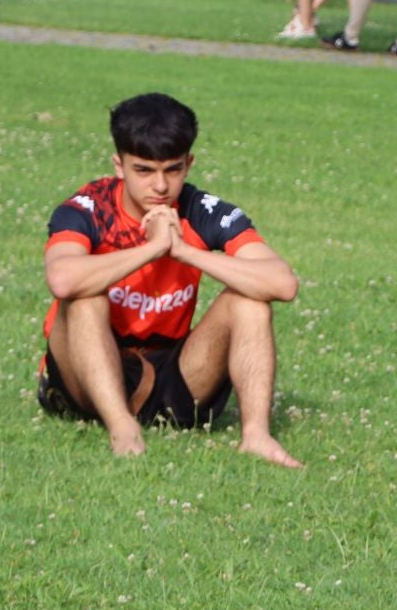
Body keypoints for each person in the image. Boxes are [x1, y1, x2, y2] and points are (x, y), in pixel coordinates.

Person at [39, 92, 301, 466]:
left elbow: (282, 283)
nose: (160, 187)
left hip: (171, 374)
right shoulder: (86, 210)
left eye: (173, 170)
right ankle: (122, 428)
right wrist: (152, 248)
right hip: (86, 375)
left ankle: (256, 435)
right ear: (119, 165)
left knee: (250, 302)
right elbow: (62, 280)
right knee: (85, 297)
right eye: (144, 170)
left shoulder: (202, 210)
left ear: (189, 163)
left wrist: (183, 251)